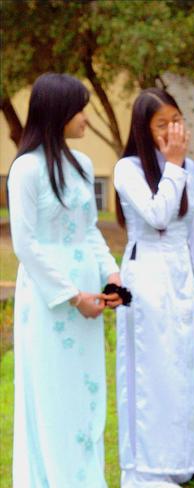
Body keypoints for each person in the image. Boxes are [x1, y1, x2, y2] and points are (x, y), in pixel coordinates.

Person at [113, 88, 194, 488]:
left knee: (186, 366)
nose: (172, 130)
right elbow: (157, 214)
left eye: (176, 120)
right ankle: (150, 464)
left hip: (181, 274)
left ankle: (191, 458)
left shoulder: (189, 169)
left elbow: (193, 228)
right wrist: (174, 165)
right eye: (161, 124)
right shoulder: (127, 169)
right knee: (153, 371)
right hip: (145, 274)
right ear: (144, 129)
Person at [9, 73, 122, 487]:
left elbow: (89, 229)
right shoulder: (26, 170)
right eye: (81, 109)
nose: (86, 118)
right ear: (58, 112)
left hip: (88, 292)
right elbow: (25, 243)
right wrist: (72, 296)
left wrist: (111, 273)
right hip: (49, 298)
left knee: (86, 391)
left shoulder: (83, 165)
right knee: (53, 391)